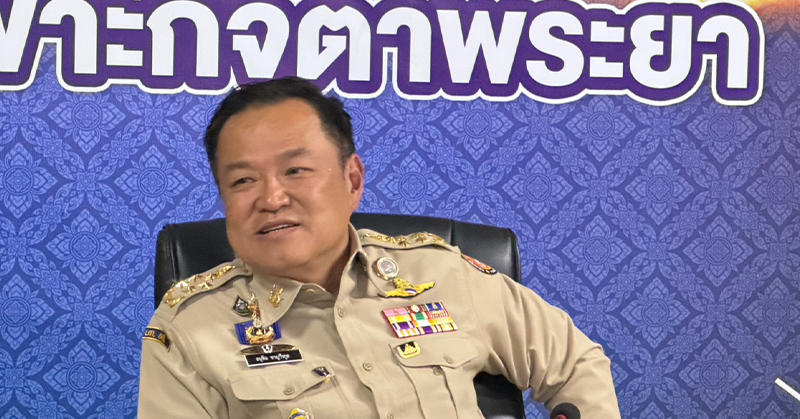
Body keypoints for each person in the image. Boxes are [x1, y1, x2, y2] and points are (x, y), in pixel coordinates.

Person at [138, 77, 621, 419]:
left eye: (295, 170)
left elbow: (575, 363)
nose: (271, 198)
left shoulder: (443, 274)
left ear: (352, 180)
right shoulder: (189, 330)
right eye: (243, 180)